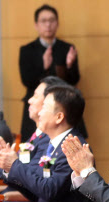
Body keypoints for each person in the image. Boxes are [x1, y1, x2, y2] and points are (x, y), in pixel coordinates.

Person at [0, 85, 91, 202]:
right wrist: (7, 168)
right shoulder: (53, 144)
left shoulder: (73, 148)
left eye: (44, 107)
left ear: (59, 117)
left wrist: (15, 164)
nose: (39, 112)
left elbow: (50, 190)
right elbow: (37, 191)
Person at [19, 4, 80, 140]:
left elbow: (74, 80)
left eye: (51, 20)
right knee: (30, 148)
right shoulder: (27, 50)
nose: (48, 25)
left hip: (61, 107)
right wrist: (43, 67)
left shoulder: (67, 48)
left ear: (57, 23)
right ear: (36, 25)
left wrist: (69, 66)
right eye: (44, 21)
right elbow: (27, 81)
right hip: (35, 108)